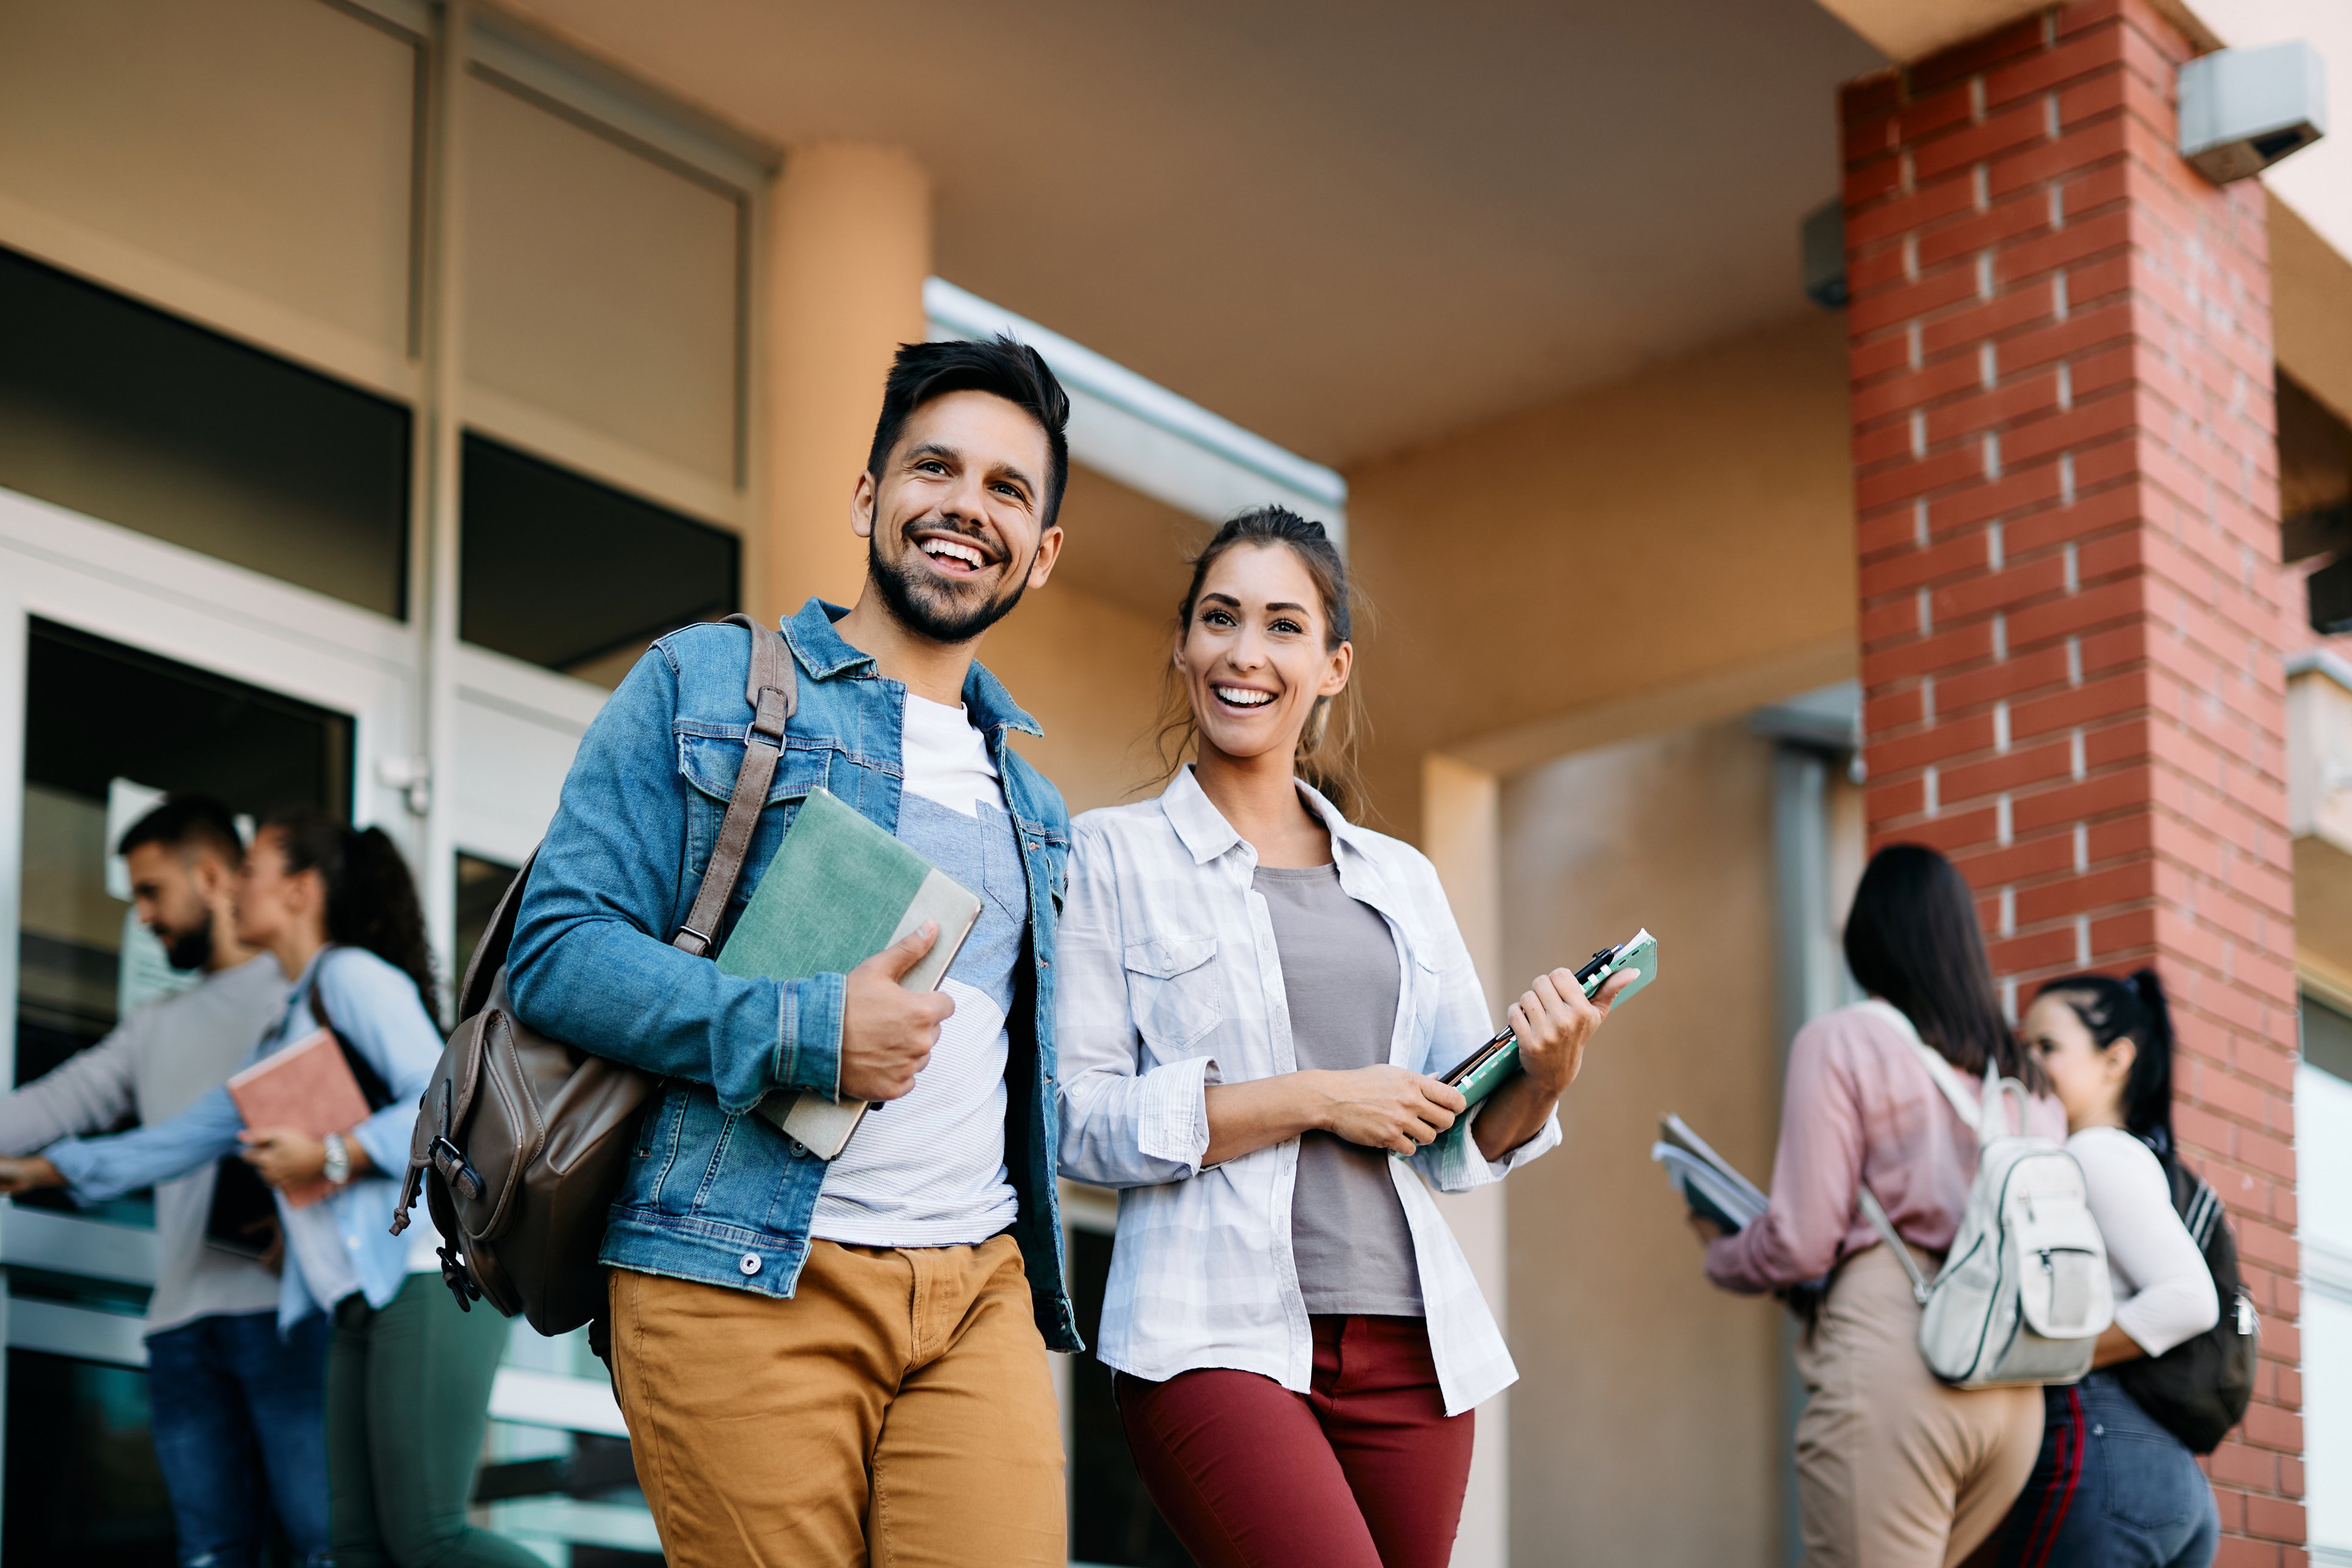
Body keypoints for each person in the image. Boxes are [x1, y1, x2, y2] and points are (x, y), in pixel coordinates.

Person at [506, 336, 1080, 1567]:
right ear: (871, 495)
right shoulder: (707, 679)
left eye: (1007, 490)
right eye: (935, 468)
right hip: (741, 1273)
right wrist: (801, 1030)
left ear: (1041, 552)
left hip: (976, 1287)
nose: (965, 507)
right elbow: (554, 950)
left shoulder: (1038, 804)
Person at [1054, 506, 1626, 1568]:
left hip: (1413, 1346)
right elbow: (1074, 1123)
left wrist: (1543, 1075)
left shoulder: (1398, 879)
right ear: (1182, 646)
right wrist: (1315, 1096)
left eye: (1281, 627)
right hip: (1207, 1333)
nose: (1243, 653)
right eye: (1219, 619)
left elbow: (1454, 1136)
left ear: (1330, 666)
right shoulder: (1107, 858)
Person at [0, 808, 534, 1568]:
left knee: (427, 1536)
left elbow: (439, 1099)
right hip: (356, 1298)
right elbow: (178, 1141)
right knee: (354, 1547)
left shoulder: (350, 975)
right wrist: (44, 1169)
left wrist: (333, 1152)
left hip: (422, 1280)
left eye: (250, 871)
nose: (234, 889)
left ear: (299, 890)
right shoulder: (283, 1024)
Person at [1695, 842, 2067, 1568]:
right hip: (2016, 1385)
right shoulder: (2026, 1078)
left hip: (1902, 1352)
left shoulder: (1842, 1039)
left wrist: (1725, 1251)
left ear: (1868, 939)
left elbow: (1802, 1242)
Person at [0, 796, 320, 1567]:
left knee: (323, 1547)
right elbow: (49, 1106)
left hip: (286, 1318)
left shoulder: (301, 997)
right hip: (180, 1329)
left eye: (150, 891)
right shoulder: (153, 1024)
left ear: (211, 875)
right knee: (209, 1554)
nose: (143, 915)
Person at [1993, 970, 2220, 1568]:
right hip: (2169, 1477)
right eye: (2025, 1044)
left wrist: (2049, 1355)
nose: (2028, 1060)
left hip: (2101, 1461)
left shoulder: (2090, 1152)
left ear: (2116, 1057)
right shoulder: (2125, 1155)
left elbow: (2188, 1297)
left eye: (2047, 1045)